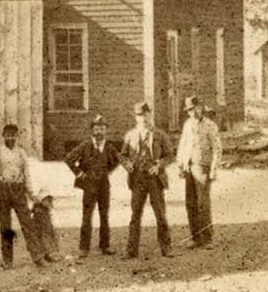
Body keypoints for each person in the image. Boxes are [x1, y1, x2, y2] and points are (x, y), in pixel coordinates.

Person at [121, 101, 174, 259]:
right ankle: (131, 251)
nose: (143, 118)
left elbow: (170, 155)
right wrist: (128, 164)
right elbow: (122, 155)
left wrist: (159, 165)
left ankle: (167, 248)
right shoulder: (130, 135)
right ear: (136, 117)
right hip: (137, 178)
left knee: (160, 214)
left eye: (145, 115)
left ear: (150, 115)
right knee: (135, 215)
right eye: (139, 115)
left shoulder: (160, 135)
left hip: (155, 179)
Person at [0, 123, 42, 267]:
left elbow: (26, 174)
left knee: (27, 223)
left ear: (17, 136)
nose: (10, 138)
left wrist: (31, 193)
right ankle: (8, 260)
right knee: (5, 227)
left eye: (13, 135)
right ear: (3, 136)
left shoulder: (21, 153)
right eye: (8, 135)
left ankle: (37, 256)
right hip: (3, 190)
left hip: (19, 189)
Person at [65, 114, 120, 258]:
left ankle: (105, 246)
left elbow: (117, 160)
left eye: (102, 129)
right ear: (92, 131)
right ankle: (84, 248)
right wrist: (79, 173)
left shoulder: (109, 147)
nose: (99, 132)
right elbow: (69, 159)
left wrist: (108, 170)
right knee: (87, 216)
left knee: (104, 215)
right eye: (97, 129)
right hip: (89, 186)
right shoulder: (85, 145)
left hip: (104, 186)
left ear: (106, 130)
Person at [176, 96, 222, 248]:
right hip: (189, 167)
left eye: (195, 108)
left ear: (201, 107)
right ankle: (195, 238)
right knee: (190, 203)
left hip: (202, 166)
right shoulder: (187, 125)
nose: (193, 112)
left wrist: (214, 169)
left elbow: (217, 149)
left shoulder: (210, 125)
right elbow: (183, 145)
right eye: (189, 110)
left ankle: (208, 238)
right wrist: (180, 165)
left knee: (203, 203)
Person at [30, 190, 62, 263]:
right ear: (42, 200)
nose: (49, 203)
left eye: (50, 201)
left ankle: (47, 255)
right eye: (47, 201)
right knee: (42, 242)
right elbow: (35, 221)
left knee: (48, 242)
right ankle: (43, 256)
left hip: (47, 228)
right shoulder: (38, 210)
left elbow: (49, 218)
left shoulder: (46, 209)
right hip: (41, 230)